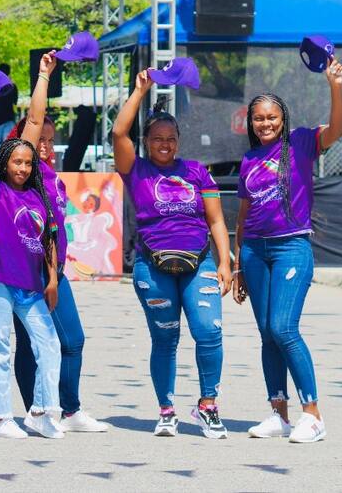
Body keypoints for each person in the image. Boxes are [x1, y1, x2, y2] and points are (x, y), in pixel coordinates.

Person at [113, 70, 233, 439]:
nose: (164, 145)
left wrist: (226, 263)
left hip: (200, 263)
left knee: (209, 331)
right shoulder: (136, 170)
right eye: (157, 139)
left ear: (179, 140)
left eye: (171, 139)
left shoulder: (197, 172)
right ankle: (166, 410)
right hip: (154, 266)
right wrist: (138, 92)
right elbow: (118, 133)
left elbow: (216, 221)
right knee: (165, 339)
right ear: (147, 142)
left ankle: (207, 406)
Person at [233, 57, 342, 444]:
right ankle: (277, 414)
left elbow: (336, 130)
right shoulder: (248, 159)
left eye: (272, 117)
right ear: (251, 122)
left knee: (283, 327)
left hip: (291, 247)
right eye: (259, 119)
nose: (265, 124)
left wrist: (335, 86)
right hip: (253, 252)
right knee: (267, 333)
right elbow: (243, 214)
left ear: (282, 119)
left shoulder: (300, 143)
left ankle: (312, 414)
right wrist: (237, 265)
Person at [0, 51, 65, 440]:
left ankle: (41, 412)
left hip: (32, 286)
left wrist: (53, 278)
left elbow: (49, 240)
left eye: (28, 162)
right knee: (0, 349)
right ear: (6, 163)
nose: (23, 167)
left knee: (49, 345)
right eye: (17, 162)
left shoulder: (39, 197)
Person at [10, 115, 109, 435]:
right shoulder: (21, 178)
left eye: (51, 141)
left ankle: (69, 409)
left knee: (72, 340)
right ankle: (34, 412)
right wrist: (44, 77)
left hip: (56, 273)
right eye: (41, 139)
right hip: (25, 272)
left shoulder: (54, 178)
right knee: (28, 346)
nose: (47, 147)